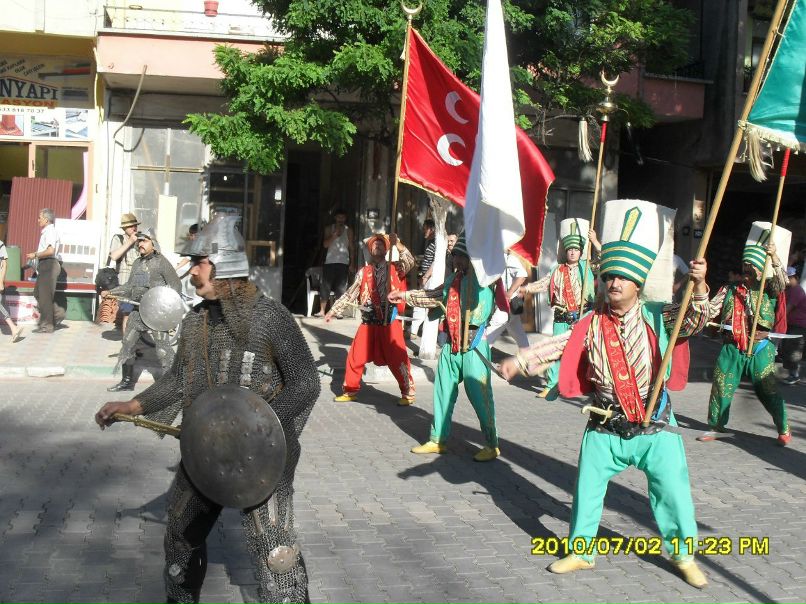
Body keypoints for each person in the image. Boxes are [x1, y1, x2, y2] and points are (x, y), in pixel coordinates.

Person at [95, 213, 320, 604]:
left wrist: (262, 426)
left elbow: (305, 382)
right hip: (206, 452)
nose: (192, 272)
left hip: (263, 459)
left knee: (276, 553)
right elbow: (179, 381)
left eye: (200, 262)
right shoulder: (196, 321)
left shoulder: (271, 318)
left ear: (226, 267)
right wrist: (131, 404)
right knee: (180, 537)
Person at [499, 199, 710, 588]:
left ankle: (683, 555)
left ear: (638, 283)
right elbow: (560, 345)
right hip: (605, 425)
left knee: (674, 494)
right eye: (610, 275)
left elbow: (694, 321)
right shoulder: (592, 322)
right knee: (587, 489)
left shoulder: (658, 315)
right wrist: (521, 361)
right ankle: (581, 552)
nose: (614, 282)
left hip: (655, 426)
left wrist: (697, 287)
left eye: (623, 277)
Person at [389, 234, 501, 461]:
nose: (458, 262)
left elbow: (487, 297)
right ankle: (437, 439)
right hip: (451, 345)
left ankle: (491, 443)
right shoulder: (452, 281)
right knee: (442, 393)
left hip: (474, 347)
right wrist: (404, 295)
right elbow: (432, 296)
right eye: (456, 257)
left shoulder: (484, 282)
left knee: (480, 397)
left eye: (462, 257)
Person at [703, 222, 791, 445]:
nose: (748, 270)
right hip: (732, 345)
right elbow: (710, 309)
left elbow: (782, 284)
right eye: (746, 265)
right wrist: (698, 292)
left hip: (761, 346)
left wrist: (775, 259)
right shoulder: (729, 289)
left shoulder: (769, 289)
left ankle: (783, 427)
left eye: (753, 266)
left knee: (767, 389)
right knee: (722, 384)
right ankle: (716, 425)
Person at [327, 233, 416, 405]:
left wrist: (398, 244)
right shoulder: (363, 272)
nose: (378, 247)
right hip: (368, 321)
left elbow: (410, 261)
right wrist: (333, 310)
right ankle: (350, 390)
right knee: (355, 356)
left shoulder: (396, 268)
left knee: (398, 358)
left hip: (389, 322)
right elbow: (350, 293)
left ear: (387, 249)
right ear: (369, 250)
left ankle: (408, 392)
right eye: (375, 245)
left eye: (381, 245)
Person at [520, 218, 599, 397]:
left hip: (581, 316)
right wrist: (526, 289)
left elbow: (607, 259)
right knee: (555, 352)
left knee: (586, 352)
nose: (572, 253)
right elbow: (544, 283)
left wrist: (595, 242)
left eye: (576, 250)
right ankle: (551, 384)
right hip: (561, 317)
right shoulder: (557, 269)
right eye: (570, 249)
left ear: (580, 252)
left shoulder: (587, 267)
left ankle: (589, 384)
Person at [102, 229, 182, 392]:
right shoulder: (137, 263)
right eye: (139, 242)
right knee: (127, 345)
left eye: (144, 241)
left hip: (156, 313)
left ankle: (172, 385)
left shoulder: (161, 262)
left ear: (153, 244)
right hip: (137, 312)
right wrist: (111, 293)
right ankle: (127, 382)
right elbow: (130, 287)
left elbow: (175, 287)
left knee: (162, 349)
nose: (140, 244)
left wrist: (166, 308)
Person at [26, 208, 64, 334]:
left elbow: (50, 251)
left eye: (39, 218)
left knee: (45, 296)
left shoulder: (50, 232)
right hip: (45, 265)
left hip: (49, 264)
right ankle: (58, 313)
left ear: (46, 220)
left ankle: (47, 325)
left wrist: (35, 255)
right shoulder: (47, 232)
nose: (38, 220)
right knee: (38, 294)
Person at [485, 248, 530, 351]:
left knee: (491, 332)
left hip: (507, 304)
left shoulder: (510, 259)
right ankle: (529, 358)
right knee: (518, 334)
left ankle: (480, 358)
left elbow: (522, 276)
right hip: (506, 304)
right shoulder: (495, 260)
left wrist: (509, 293)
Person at [107, 213, 142, 329]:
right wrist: (130, 242)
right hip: (125, 282)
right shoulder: (119, 238)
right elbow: (114, 256)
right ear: (124, 228)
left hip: (139, 282)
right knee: (127, 313)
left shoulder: (140, 239)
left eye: (135, 225)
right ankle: (127, 342)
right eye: (131, 226)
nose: (134, 228)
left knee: (137, 313)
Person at [318, 208, 354, 317]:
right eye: (339, 217)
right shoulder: (329, 229)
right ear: (335, 218)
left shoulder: (348, 230)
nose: (340, 220)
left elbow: (352, 247)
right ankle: (322, 311)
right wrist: (333, 236)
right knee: (325, 287)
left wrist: (352, 263)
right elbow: (325, 244)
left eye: (343, 217)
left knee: (341, 288)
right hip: (329, 262)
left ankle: (338, 311)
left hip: (343, 262)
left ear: (345, 219)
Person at [781, 266, 806, 385]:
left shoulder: (797, 290)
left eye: (790, 277)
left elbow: (788, 308)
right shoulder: (790, 290)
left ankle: (794, 375)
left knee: (794, 349)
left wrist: (779, 320)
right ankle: (792, 373)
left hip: (799, 325)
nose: (788, 280)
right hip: (792, 323)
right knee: (788, 347)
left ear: (795, 277)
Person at [0, 239, 23, 342]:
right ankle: (14, 328)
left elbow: (4, 264)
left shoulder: (0, 244)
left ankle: (13, 327)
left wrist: (1, 281)